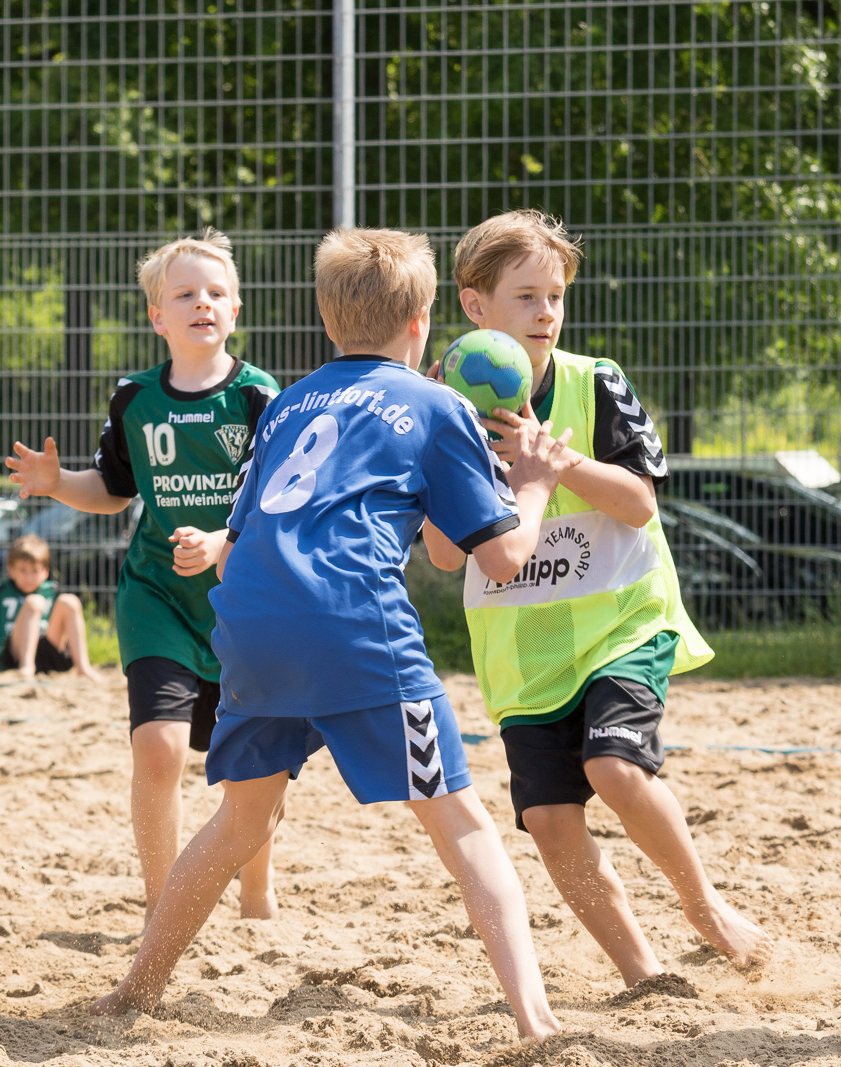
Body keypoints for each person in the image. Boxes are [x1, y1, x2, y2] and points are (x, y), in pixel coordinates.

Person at [91, 227, 573, 1042]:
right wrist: (532, 483)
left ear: (325, 318)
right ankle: (536, 1021)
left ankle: (135, 988)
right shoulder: (438, 402)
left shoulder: (288, 401)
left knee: (239, 823)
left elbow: (254, 534)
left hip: (247, 621)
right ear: (422, 323)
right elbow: (502, 555)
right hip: (356, 627)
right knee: (461, 821)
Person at [421, 209, 773, 985]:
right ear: (474, 306)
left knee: (615, 768)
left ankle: (705, 904)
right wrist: (483, 479)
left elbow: (640, 503)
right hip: (522, 655)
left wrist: (556, 465)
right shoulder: (446, 411)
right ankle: (644, 974)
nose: (546, 311)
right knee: (549, 821)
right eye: (525, 297)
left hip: (621, 622)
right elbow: (445, 555)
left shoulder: (595, 381)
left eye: (555, 296)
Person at [5, 229, 280, 923]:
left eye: (216, 292)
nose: (201, 303)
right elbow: (113, 487)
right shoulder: (135, 399)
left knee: (249, 765)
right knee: (159, 752)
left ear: (236, 311)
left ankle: (256, 890)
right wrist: (57, 481)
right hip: (156, 595)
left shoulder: (257, 398)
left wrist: (222, 540)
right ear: (157, 316)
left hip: (241, 601)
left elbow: (276, 503)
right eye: (184, 293)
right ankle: (165, 907)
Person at [0, 533, 103, 681]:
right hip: (12, 656)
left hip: (47, 654)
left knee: (69, 601)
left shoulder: (53, 590)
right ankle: (27, 667)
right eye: (23, 570)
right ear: (11, 570)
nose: (29, 577)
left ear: (46, 571)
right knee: (34, 602)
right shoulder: (0, 590)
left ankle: (83, 667)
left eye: (35, 571)